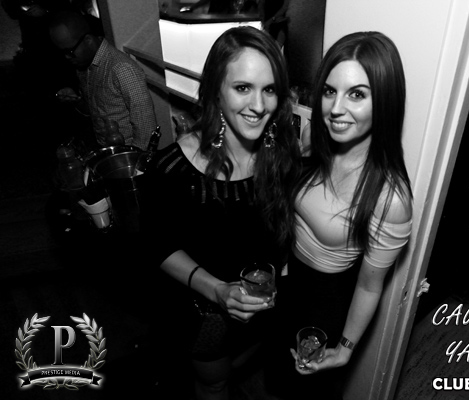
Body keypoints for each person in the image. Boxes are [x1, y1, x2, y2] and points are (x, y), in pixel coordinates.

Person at [140, 26, 301, 399]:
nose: (258, 105)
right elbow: (157, 246)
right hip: (203, 309)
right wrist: (218, 290)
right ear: (215, 89)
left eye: (269, 89)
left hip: (265, 302)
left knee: (248, 362)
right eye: (242, 87)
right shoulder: (174, 169)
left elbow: (282, 227)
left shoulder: (281, 155)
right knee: (214, 382)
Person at [276, 31, 413, 399]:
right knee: (278, 378)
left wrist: (345, 349)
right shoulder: (315, 143)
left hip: (324, 308)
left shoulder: (389, 197)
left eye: (357, 94)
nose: (335, 109)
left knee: (306, 393)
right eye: (329, 91)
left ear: (385, 101)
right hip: (289, 286)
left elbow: (369, 285)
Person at [48, 9, 157, 150]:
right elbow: (95, 112)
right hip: (104, 149)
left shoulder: (121, 69)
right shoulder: (83, 66)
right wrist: (77, 100)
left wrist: (133, 160)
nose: (67, 57)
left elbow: (147, 129)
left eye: (69, 51)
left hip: (128, 153)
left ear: (88, 40)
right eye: (62, 52)